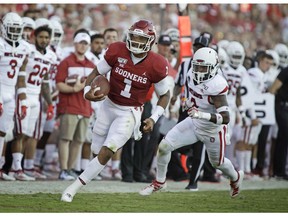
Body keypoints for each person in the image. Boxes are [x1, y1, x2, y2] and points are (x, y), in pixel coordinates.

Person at [61, 19, 170, 202]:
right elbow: (96, 73)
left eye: (141, 39)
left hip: (130, 112)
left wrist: (154, 117)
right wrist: (87, 92)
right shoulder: (117, 50)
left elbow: (165, 95)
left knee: (108, 149)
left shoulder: (157, 64)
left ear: (151, 42)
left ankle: (72, 189)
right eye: (134, 37)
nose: (136, 42)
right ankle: (92, 171)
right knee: (96, 149)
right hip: (108, 105)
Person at [139, 47, 244, 198]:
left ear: (213, 68)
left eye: (204, 67)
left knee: (218, 163)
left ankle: (235, 178)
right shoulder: (190, 74)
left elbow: (225, 117)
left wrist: (201, 114)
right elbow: (191, 96)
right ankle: (160, 182)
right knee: (164, 146)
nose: (199, 70)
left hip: (212, 130)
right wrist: (187, 103)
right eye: (197, 66)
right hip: (194, 123)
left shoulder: (217, 84)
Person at [170, 35, 209, 190]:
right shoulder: (186, 64)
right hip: (186, 110)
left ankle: (193, 182)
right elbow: (179, 83)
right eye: (196, 46)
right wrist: (173, 97)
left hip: (203, 112)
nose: (198, 49)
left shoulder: (213, 66)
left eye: (201, 47)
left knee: (200, 147)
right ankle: (179, 172)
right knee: (173, 142)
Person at [55, 31, 94, 180]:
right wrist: (74, 89)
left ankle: (70, 169)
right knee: (65, 139)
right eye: (81, 43)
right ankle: (63, 169)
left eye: (85, 43)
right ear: (75, 43)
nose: (83, 46)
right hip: (69, 106)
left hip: (85, 107)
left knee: (78, 141)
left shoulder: (92, 65)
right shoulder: (66, 62)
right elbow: (59, 84)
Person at [0, 12, 30, 180]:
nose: (14, 32)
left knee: (3, 132)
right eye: (11, 28)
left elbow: (21, 75)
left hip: (11, 93)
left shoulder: (24, 47)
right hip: (1, 89)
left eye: (16, 29)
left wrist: (23, 100)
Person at [269, 65, 288, 180]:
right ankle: (278, 171)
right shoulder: (286, 71)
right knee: (284, 136)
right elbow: (273, 89)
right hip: (282, 105)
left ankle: (280, 170)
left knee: (283, 137)